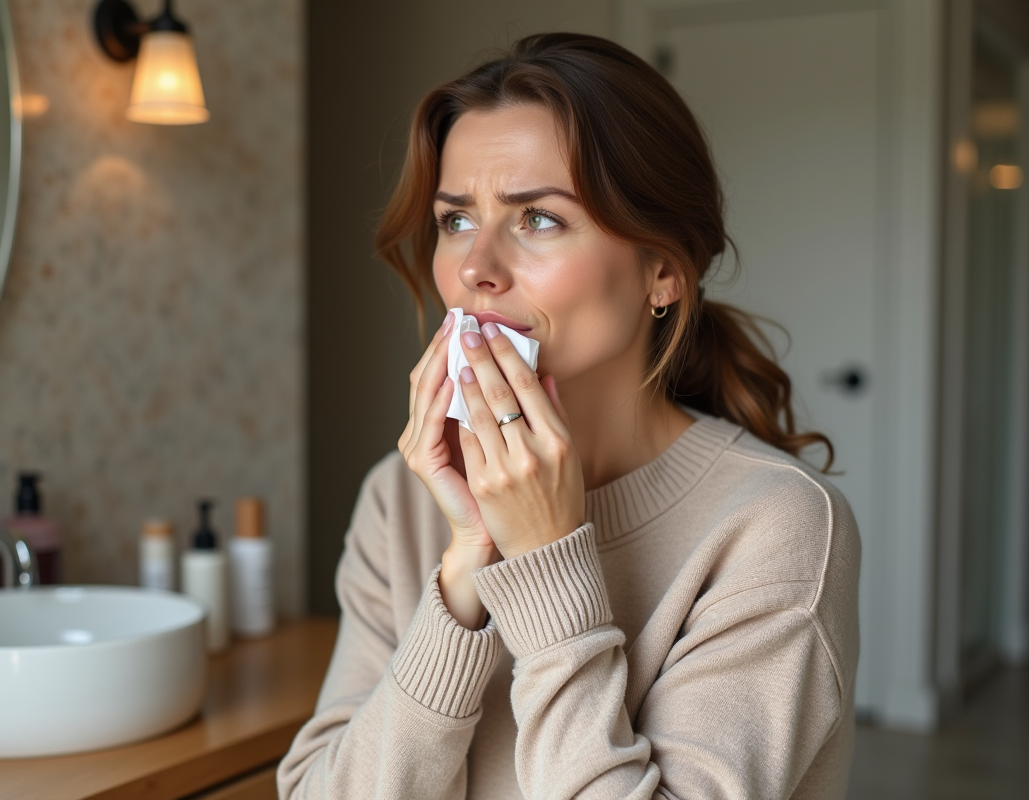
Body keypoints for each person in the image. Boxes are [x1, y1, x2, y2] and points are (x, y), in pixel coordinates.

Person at [279, 32, 859, 799]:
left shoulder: (777, 526)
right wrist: (463, 575)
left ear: (662, 271)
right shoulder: (400, 496)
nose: (475, 268)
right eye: (456, 220)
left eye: (538, 219)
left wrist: (546, 558)